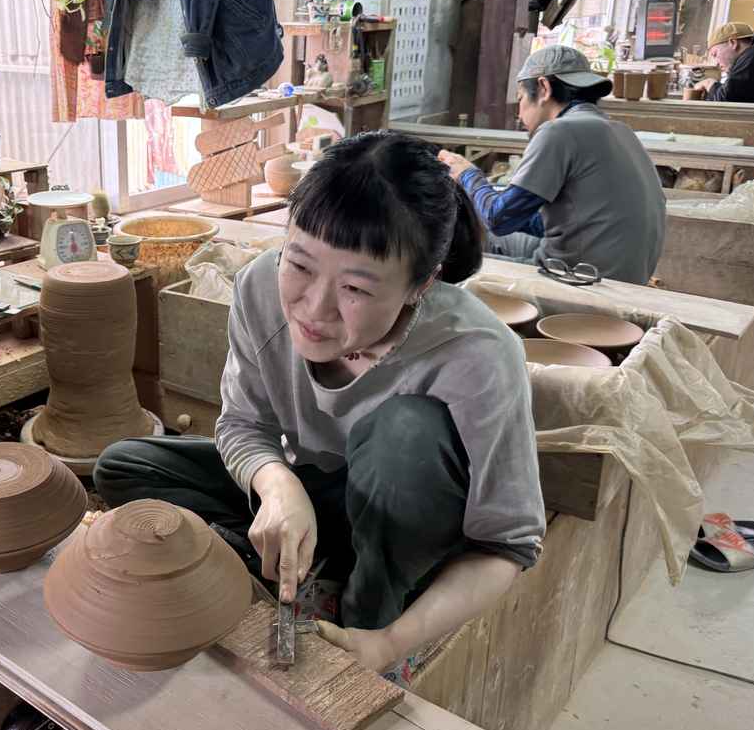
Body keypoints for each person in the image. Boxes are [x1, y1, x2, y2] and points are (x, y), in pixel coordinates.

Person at [94, 133, 545, 673]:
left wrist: (392, 642)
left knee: (404, 432)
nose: (313, 308)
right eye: (300, 264)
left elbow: (508, 545)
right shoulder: (260, 285)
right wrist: (279, 487)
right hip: (323, 488)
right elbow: (241, 424)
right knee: (123, 466)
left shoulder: (477, 354)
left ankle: (370, 609)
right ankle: (298, 556)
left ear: (419, 286)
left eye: (355, 289)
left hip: (407, 523)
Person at [439, 45, 666, 285]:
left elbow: (500, 219)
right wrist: (481, 200)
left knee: (454, 256)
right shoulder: (621, 131)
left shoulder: (559, 131)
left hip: (580, 279)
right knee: (483, 226)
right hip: (624, 276)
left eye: (521, 99)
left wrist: (468, 175)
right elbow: (563, 221)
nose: (519, 113)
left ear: (544, 88)